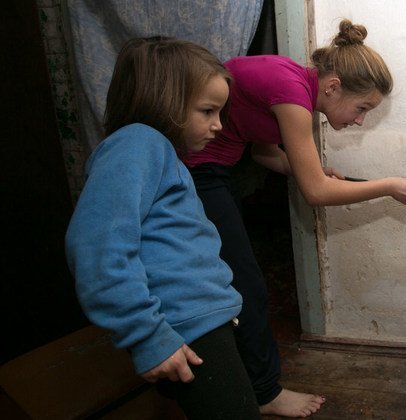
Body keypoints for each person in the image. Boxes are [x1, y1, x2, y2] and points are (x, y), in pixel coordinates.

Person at [183, 19, 406, 417]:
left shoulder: (292, 86)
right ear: (334, 85)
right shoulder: (291, 91)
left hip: (214, 168)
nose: (360, 120)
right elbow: (316, 194)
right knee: (246, 286)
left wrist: (314, 171)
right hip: (195, 170)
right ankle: (265, 392)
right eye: (362, 109)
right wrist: (388, 185)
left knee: (236, 279)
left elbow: (263, 153)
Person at [65, 36, 263, 419]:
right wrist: (147, 335)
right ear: (164, 101)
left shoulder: (161, 153)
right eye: (207, 111)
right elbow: (96, 244)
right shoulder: (138, 143)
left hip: (202, 321)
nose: (218, 126)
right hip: (187, 326)